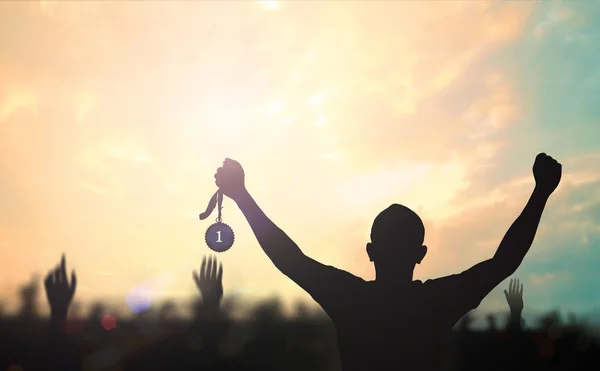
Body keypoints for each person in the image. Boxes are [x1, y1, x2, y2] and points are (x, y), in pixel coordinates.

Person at [212, 153, 562, 371]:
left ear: (370, 251)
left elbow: (289, 259)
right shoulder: (437, 302)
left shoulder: (349, 298)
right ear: (420, 255)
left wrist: (242, 195)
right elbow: (504, 261)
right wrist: (540, 193)